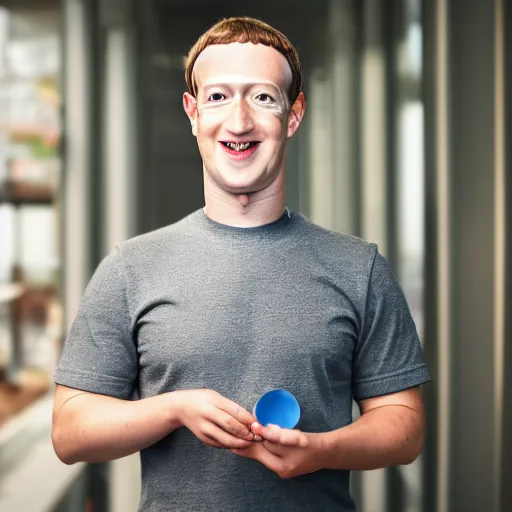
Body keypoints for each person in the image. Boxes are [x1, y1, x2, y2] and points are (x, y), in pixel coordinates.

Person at [52, 16, 430, 512]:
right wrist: (173, 408)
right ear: (192, 113)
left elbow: (405, 427)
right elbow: (70, 432)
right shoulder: (130, 268)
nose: (239, 122)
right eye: (218, 97)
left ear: (293, 116)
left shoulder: (359, 267)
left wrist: (322, 451)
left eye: (263, 97)